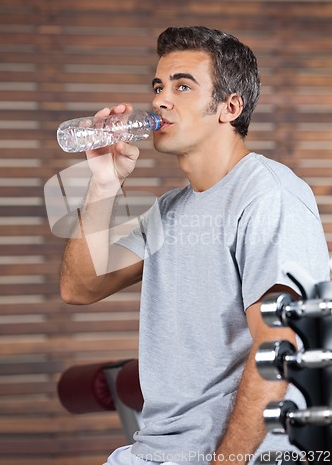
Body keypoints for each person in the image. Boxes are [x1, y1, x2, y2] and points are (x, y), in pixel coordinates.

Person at [60, 26, 330, 465]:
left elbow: (281, 342)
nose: (160, 100)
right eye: (158, 86)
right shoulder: (169, 211)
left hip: (236, 453)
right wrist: (103, 183)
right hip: (156, 450)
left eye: (182, 86)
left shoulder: (269, 195)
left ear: (230, 107)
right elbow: (80, 287)